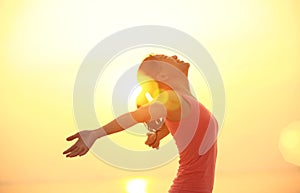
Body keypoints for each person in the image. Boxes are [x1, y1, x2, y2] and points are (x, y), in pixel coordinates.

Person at [63, 54, 219, 193]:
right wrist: (95, 133)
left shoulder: (186, 102)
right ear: (163, 75)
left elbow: (183, 127)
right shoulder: (173, 98)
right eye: (166, 58)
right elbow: (137, 115)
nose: (174, 56)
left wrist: (158, 134)